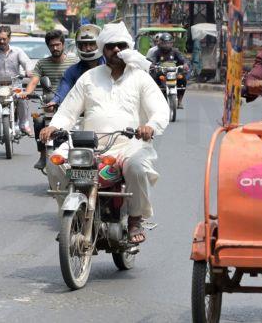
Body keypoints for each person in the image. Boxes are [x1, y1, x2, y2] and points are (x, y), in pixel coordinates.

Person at [40, 21, 169, 244]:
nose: (116, 50)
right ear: (103, 49)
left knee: (138, 165)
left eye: (121, 45)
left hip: (129, 145)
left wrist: (150, 127)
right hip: (88, 145)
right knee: (54, 160)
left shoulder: (140, 78)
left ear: (128, 46)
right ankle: (69, 215)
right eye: (110, 46)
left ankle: (135, 219)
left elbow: (159, 110)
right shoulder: (88, 78)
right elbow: (68, 111)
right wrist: (55, 126)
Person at [21, 29, 79, 170]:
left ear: (63, 45)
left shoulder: (75, 61)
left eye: (58, 44)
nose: (55, 48)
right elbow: (34, 80)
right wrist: (27, 92)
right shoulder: (42, 63)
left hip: (73, 104)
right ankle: (42, 155)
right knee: (38, 121)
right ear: (48, 46)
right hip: (49, 104)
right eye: (52, 45)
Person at [48, 24, 106, 107]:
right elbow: (64, 89)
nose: (88, 48)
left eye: (92, 44)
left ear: (100, 44)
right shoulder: (72, 71)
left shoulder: (111, 66)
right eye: (84, 45)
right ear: (78, 46)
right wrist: (54, 101)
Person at [150, 33, 189, 109]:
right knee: (153, 79)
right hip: (162, 72)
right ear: (160, 43)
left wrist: (185, 64)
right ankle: (154, 99)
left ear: (171, 43)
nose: (166, 45)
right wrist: (152, 65)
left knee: (183, 79)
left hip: (174, 72)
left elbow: (182, 59)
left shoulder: (175, 51)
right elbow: (153, 61)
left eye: (168, 43)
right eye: (164, 43)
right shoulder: (157, 52)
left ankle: (180, 101)